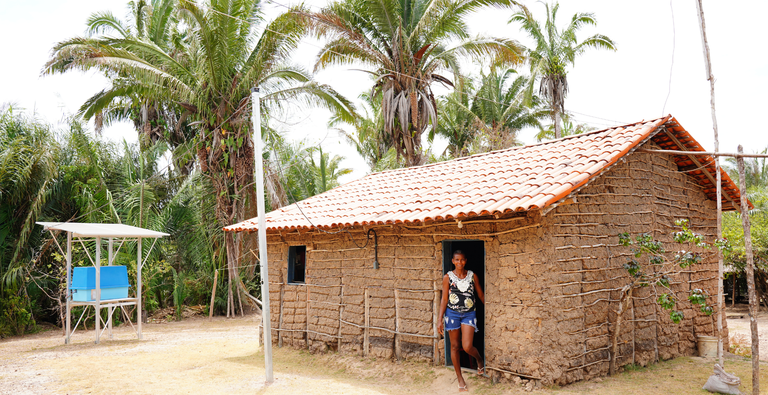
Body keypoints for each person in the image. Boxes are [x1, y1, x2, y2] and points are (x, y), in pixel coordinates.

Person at [438, 250, 485, 392]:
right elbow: (444, 299)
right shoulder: (448, 277)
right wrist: (439, 319)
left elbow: (481, 294)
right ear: (452, 261)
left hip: (469, 314)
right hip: (452, 314)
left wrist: (493, 311)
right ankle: (460, 378)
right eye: (457, 260)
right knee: (454, 346)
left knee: (467, 346)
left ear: (466, 260)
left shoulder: (472, 276)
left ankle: (479, 360)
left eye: (462, 260)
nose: (460, 263)